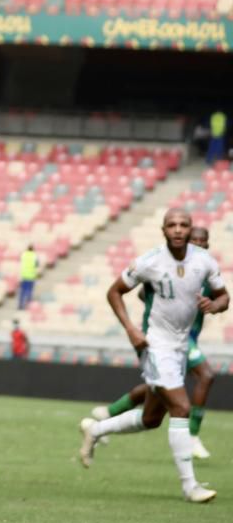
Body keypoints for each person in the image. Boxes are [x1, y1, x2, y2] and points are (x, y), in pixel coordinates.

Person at [78, 208, 227, 503]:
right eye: (172, 225)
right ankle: (190, 486)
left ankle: (96, 429)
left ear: (190, 228)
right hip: (156, 345)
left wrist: (216, 305)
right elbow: (114, 292)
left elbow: (224, 296)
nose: (178, 229)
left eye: (184, 224)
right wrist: (132, 329)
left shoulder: (204, 261)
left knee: (151, 418)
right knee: (181, 408)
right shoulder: (150, 261)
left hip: (182, 347)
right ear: (163, 230)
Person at [89, 226, 218, 460]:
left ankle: (108, 414)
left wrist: (213, 305)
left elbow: (222, 298)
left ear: (207, 245)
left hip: (185, 338)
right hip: (169, 339)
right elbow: (140, 292)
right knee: (206, 375)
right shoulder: (171, 265)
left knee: (155, 397)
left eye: (202, 241)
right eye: (194, 240)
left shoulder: (205, 269)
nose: (198, 244)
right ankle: (192, 437)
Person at [18, 244, 39, 310]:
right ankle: (28, 305)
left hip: (24, 275)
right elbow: (36, 264)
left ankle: (20, 305)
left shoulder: (23, 254)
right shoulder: (34, 255)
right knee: (29, 291)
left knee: (22, 291)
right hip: (31, 276)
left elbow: (21, 261)